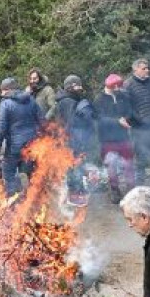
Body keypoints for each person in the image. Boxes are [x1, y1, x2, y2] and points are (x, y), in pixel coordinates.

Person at [50, 75, 97, 207]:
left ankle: (76, 193)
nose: (80, 87)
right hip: (70, 141)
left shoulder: (70, 99)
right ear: (70, 87)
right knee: (74, 167)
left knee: (75, 166)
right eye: (77, 85)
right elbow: (70, 123)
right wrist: (76, 141)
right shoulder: (67, 101)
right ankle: (75, 196)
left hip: (70, 140)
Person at [0, 77, 43, 197]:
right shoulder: (31, 99)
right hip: (31, 144)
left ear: (7, 90)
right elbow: (42, 120)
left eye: (2, 90)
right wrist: (40, 137)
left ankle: (12, 198)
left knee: (9, 173)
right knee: (28, 172)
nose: (1, 93)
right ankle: (28, 199)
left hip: (14, 146)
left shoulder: (5, 104)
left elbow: (1, 127)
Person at [123, 58, 150, 188]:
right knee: (140, 158)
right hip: (138, 129)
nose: (147, 70)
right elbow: (126, 107)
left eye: (148, 68)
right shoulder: (128, 85)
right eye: (144, 68)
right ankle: (139, 186)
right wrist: (139, 120)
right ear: (135, 69)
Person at [95, 73, 136, 203]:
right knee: (111, 165)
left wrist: (126, 119)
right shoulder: (99, 100)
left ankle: (132, 191)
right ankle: (115, 191)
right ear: (109, 86)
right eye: (116, 86)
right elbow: (100, 119)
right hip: (107, 139)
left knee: (128, 165)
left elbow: (130, 112)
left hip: (123, 137)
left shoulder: (123, 96)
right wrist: (117, 121)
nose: (118, 89)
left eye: (119, 86)